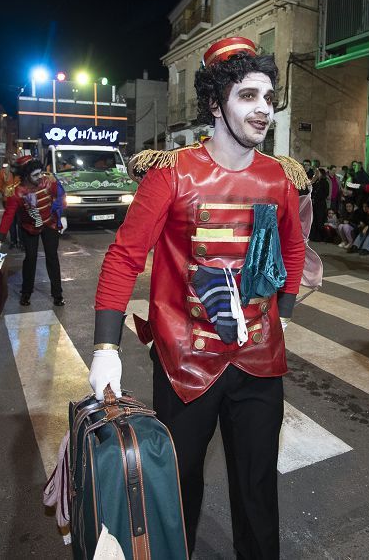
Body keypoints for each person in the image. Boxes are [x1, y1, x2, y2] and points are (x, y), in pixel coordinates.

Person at [88, 37, 307, 559]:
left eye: (268, 97)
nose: (263, 109)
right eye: (248, 96)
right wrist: (105, 349)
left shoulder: (280, 177)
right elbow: (123, 258)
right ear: (216, 104)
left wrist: (285, 316)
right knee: (178, 491)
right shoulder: (173, 173)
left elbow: (295, 251)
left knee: (258, 491)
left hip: (258, 361)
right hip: (185, 363)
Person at [0, 155, 66, 307]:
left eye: (40, 173)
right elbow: (8, 216)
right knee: (30, 258)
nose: (40, 177)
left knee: (52, 257)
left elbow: (60, 196)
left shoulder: (48, 181)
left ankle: (57, 294)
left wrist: (62, 216)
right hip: (29, 228)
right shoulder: (16, 193)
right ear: (26, 175)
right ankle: (26, 293)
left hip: (49, 224)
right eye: (35, 175)